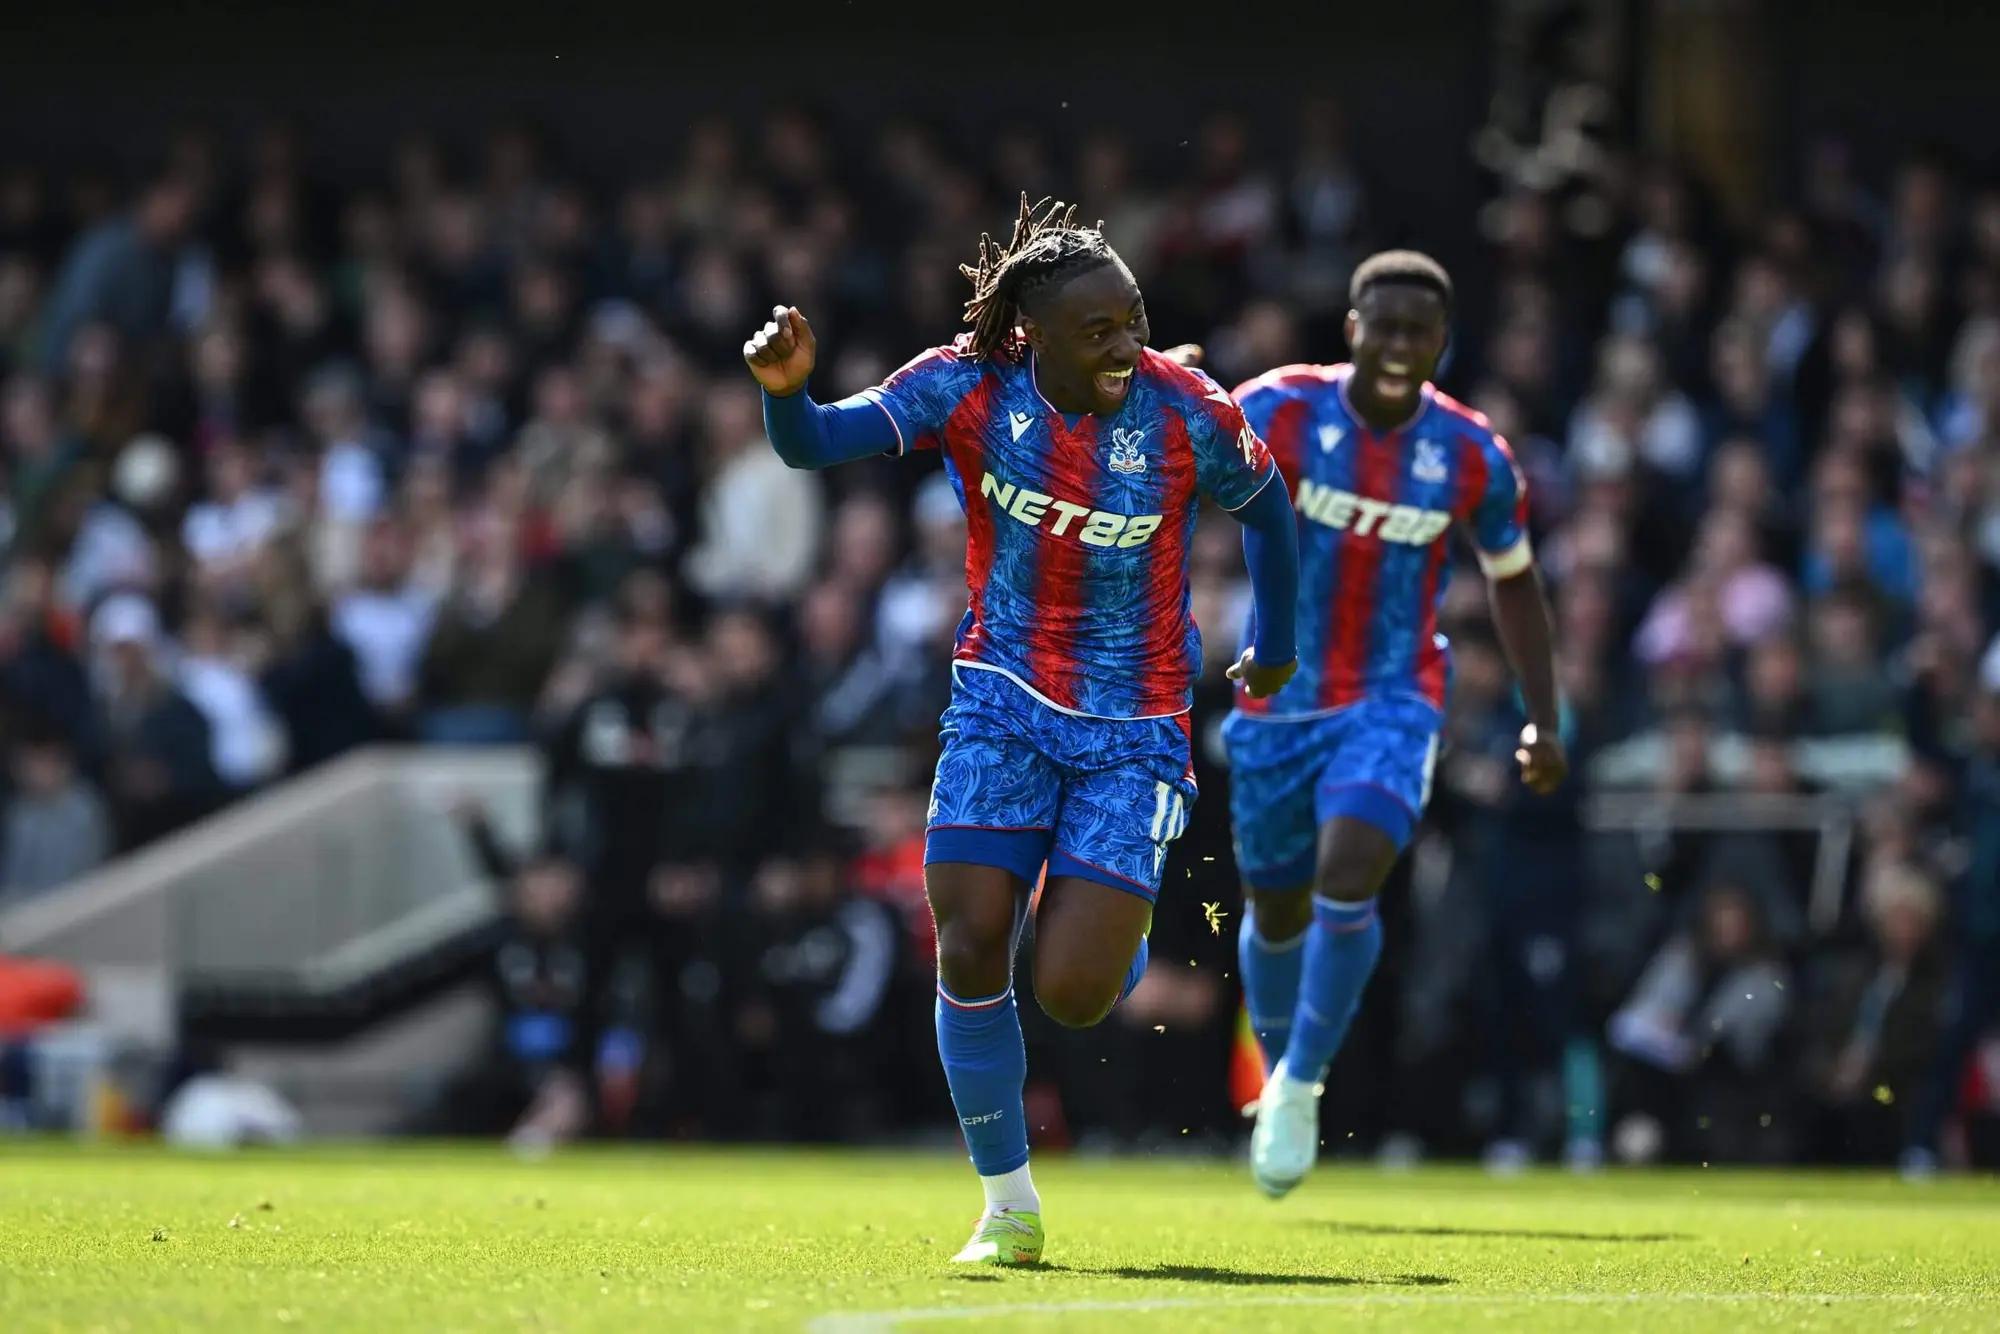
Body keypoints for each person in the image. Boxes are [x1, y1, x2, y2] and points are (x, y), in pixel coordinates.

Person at [743, 196, 1300, 1265]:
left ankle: (1113, 921)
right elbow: (814, 444)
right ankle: (1007, 1203)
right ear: (1027, 337)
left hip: (1135, 727)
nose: (1127, 347)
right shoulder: (964, 382)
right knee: (966, 937)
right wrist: (784, 394)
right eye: (1099, 332)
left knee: (1074, 993)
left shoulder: (1185, 408)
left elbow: (1269, 513)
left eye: (1134, 322)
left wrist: (1272, 647)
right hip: (999, 701)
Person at [1215, 251, 1567, 1197]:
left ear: (1443, 343)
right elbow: (1185, 445)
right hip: (1277, 701)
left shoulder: (1470, 454)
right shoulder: (1282, 409)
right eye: (1388, 326)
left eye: (1423, 331)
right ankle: (1282, 1061)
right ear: (1353, 328)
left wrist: (1544, 718)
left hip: (1394, 695)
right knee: (1278, 905)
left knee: (1350, 868)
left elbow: (1516, 585)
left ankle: (1300, 1082)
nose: (1403, 345)